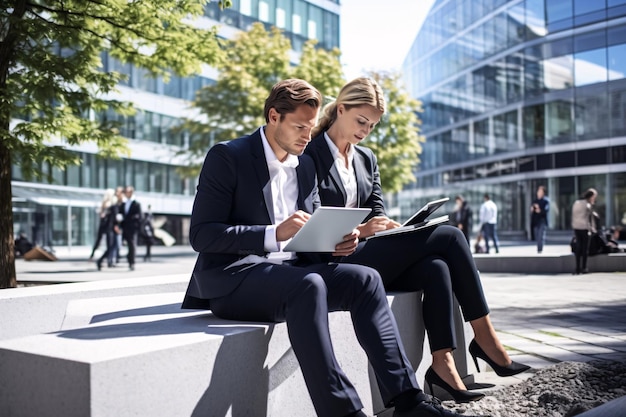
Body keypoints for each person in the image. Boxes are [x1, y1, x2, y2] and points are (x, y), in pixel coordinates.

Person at [181, 79, 480, 417]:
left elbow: (311, 243)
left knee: (364, 279)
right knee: (309, 285)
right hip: (236, 277)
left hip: (292, 273)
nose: (307, 137)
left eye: (310, 128)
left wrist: (337, 243)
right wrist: (273, 232)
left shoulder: (305, 164)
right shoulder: (228, 156)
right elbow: (203, 235)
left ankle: (409, 401)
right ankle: (344, 411)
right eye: (299, 127)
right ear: (274, 116)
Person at [305, 77, 529, 405]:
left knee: (435, 267)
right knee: (450, 236)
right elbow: (311, 222)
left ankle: (443, 365)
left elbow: (375, 211)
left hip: (368, 252)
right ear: (341, 109)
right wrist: (363, 231)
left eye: (373, 125)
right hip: (336, 261)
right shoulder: (310, 154)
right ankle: (485, 338)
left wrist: (390, 228)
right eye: (361, 121)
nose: (366, 130)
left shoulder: (366, 159)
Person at [571, 188, 598, 275]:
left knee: (578, 247)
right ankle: (584, 267)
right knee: (585, 249)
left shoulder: (576, 203)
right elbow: (591, 218)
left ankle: (577, 268)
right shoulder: (588, 205)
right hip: (584, 228)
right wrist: (593, 229)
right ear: (591, 197)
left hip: (576, 227)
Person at [95, 189, 120, 270]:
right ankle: (101, 260)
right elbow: (113, 217)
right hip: (110, 228)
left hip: (109, 228)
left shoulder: (105, 204)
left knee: (112, 246)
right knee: (111, 246)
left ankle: (108, 261)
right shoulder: (110, 205)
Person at [119, 185, 142, 271]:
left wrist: (133, 219)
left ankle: (132, 262)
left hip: (133, 228)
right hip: (125, 228)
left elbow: (140, 216)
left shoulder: (136, 204)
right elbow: (120, 213)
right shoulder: (123, 204)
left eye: (128, 192)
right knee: (128, 245)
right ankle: (129, 259)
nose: (126, 193)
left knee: (132, 245)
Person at [89, 189, 114, 261]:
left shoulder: (104, 203)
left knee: (100, 241)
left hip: (104, 225)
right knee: (109, 245)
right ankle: (102, 260)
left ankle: (93, 255)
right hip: (108, 226)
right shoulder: (108, 204)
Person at [530, 185, 550, 254]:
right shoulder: (535, 201)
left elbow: (546, 210)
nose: (539, 193)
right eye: (538, 191)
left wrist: (539, 209)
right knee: (537, 236)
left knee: (540, 236)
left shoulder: (546, 201)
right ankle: (539, 248)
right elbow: (532, 210)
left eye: (540, 191)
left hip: (542, 221)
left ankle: (540, 250)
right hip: (535, 221)